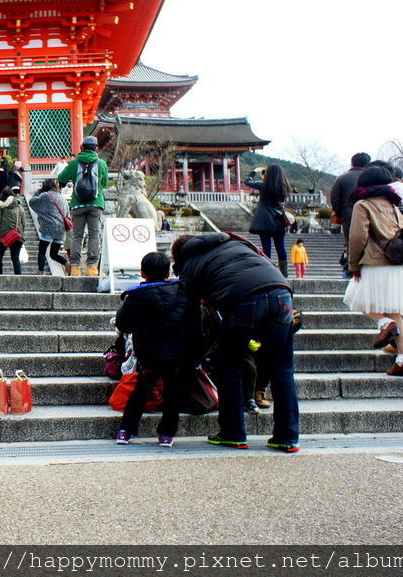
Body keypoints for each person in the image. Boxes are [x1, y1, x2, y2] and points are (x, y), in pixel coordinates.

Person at [171, 231, 300, 452]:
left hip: (244, 300)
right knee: (283, 369)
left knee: (229, 366)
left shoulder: (190, 262)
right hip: (281, 293)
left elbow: (189, 310)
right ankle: (287, 437)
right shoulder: (237, 243)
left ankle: (233, 433)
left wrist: (193, 345)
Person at [114, 252, 200, 447]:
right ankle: (167, 434)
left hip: (148, 352)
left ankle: (126, 431)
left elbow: (123, 324)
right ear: (168, 272)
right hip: (177, 353)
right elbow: (194, 324)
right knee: (172, 393)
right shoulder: (184, 292)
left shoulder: (135, 296)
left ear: (143, 273)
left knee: (140, 391)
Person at [343, 164, 403, 377]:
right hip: (401, 264)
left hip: (376, 263)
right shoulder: (395, 205)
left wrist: (354, 265)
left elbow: (358, 237)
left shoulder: (363, 204)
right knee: (395, 312)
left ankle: (384, 323)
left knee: (354, 298)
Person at [58, 136, 109, 277]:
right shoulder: (101, 163)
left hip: (77, 204)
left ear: (82, 148)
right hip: (95, 203)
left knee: (77, 236)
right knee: (94, 235)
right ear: (96, 148)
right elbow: (104, 183)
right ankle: (92, 268)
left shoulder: (74, 163)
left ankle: (75, 268)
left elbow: (61, 178)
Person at [246, 164, 293, 277]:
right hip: (279, 221)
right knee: (280, 247)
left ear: (269, 174)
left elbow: (247, 182)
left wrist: (254, 171)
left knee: (266, 248)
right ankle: (284, 273)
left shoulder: (264, 185)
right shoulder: (284, 187)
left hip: (265, 221)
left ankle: (268, 272)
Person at [330, 153, 371, 276]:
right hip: (369, 213)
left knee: (350, 241)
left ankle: (351, 267)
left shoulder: (342, 178)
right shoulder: (370, 178)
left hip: (348, 213)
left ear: (352, 163)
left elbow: (334, 198)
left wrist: (339, 213)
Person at [28, 179, 69, 275]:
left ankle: (41, 272)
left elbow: (32, 202)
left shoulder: (46, 195)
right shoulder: (62, 197)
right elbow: (67, 214)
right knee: (53, 254)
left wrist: (38, 191)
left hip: (48, 228)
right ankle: (66, 263)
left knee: (42, 251)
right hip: (61, 229)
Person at [0, 187, 25, 275]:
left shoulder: (0, 205)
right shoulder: (19, 207)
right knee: (15, 258)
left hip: (4, 236)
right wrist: (21, 233)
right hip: (17, 236)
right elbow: (23, 223)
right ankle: (19, 279)